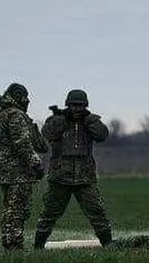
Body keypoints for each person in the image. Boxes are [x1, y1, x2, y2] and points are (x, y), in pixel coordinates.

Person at [33, 89, 112, 249]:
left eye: (80, 106)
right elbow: (47, 133)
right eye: (73, 105)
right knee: (50, 213)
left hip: (85, 177)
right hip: (60, 176)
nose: (76, 109)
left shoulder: (90, 122)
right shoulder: (57, 120)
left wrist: (89, 120)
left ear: (85, 106)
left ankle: (108, 243)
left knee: (97, 211)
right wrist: (61, 119)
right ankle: (38, 246)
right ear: (68, 105)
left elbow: (102, 135)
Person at [0, 83, 48, 250]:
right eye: (25, 97)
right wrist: (36, 164)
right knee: (18, 209)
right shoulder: (16, 115)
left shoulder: (1, 114)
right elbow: (22, 144)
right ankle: (14, 244)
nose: (27, 101)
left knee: (10, 207)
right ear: (18, 97)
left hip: (4, 168)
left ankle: (8, 241)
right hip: (17, 170)